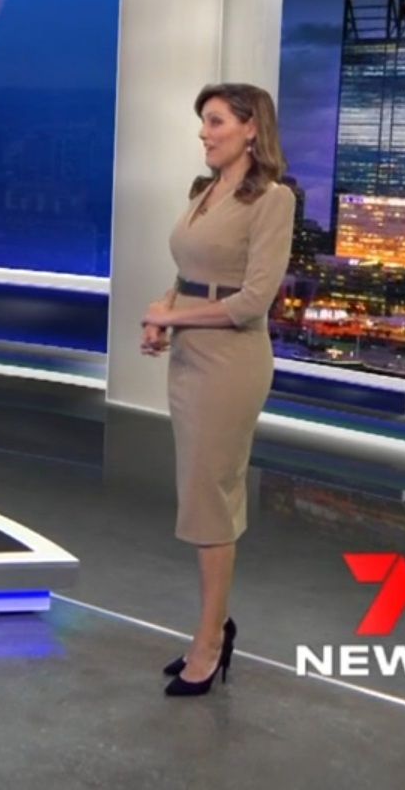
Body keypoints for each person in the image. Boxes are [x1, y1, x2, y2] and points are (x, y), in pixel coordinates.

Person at [140, 83, 295, 697]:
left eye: (215, 121)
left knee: (210, 500)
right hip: (190, 355)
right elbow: (189, 277)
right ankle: (213, 626)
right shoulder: (203, 192)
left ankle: (210, 641)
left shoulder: (273, 200)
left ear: (251, 128)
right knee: (202, 494)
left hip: (230, 364)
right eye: (203, 122)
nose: (204, 133)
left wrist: (173, 316)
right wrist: (163, 312)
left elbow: (252, 301)